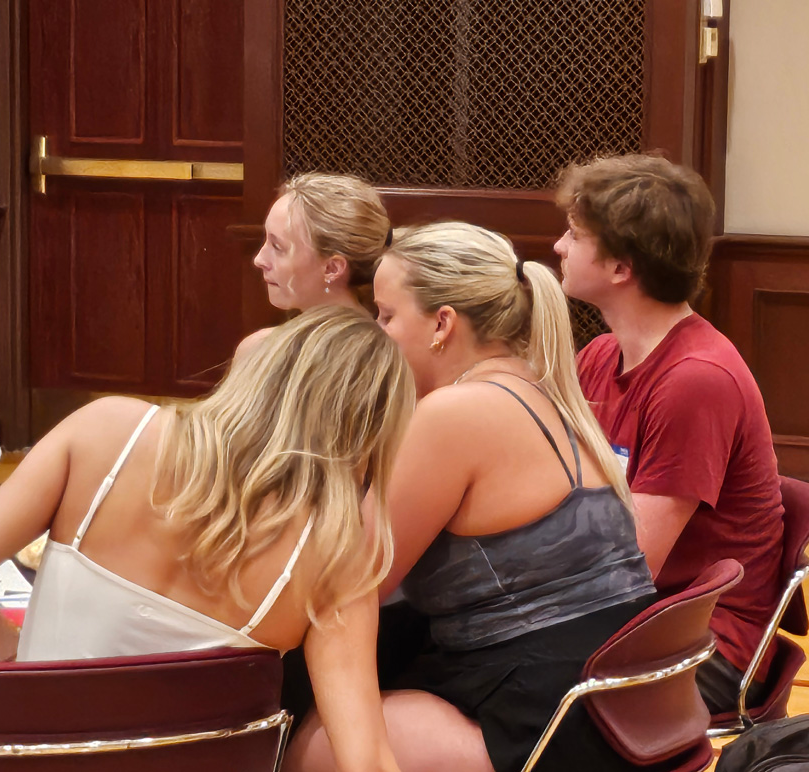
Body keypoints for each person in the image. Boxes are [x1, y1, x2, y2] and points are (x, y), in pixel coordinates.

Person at [0, 305, 413, 772]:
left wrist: (10, 655)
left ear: (266, 370)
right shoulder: (338, 556)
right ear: (371, 433)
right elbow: (365, 758)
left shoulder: (108, 429)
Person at [288, 223, 657, 772]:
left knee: (296, 740)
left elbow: (347, 582)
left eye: (387, 316)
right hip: (622, 706)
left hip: (551, 725)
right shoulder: (540, 386)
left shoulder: (455, 414)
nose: (376, 332)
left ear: (442, 324)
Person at [554, 153, 784, 713]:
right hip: (637, 615)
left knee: (488, 679)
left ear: (620, 268)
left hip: (700, 644)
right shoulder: (601, 354)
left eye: (575, 234)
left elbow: (630, 568)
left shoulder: (695, 380)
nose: (559, 246)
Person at [237, 172, 391, 358]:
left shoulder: (260, 351)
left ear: (332, 268)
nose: (259, 260)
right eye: (267, 241)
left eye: (278, 247)